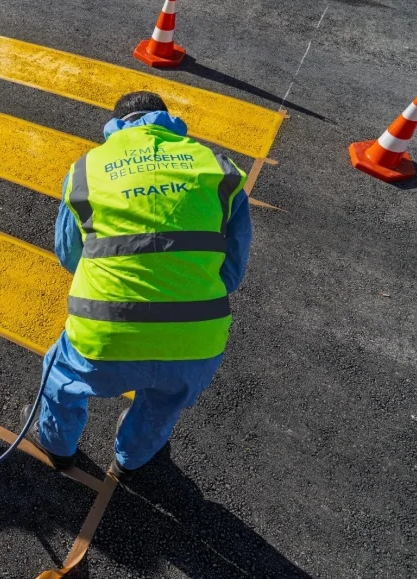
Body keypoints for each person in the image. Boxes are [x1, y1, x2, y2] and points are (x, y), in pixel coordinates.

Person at [22, 91, 252, 483]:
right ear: (168, 120)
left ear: (115, 125)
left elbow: (68, 255)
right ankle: (129, 460)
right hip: (197, 337)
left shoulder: (86, 169)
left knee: (61, 380)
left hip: (106, 331)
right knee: (163, 405)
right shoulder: (220, 168)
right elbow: (232, 268)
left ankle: (58, 449)